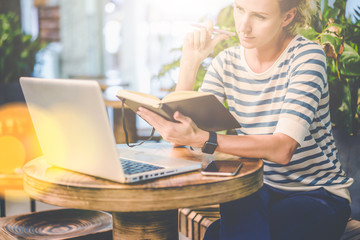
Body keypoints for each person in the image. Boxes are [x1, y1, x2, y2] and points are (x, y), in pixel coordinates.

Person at [137, 0, 354, 239]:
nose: (243, 26)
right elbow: (183, 141)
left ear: (287, 17)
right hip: (255, 184)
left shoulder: (307, 57)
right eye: (239, 9)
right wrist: (190, 62)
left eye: (259, 17)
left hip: (316, 192)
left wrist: (204, 138)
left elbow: (283, 149)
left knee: (220, 234)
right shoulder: (225, 63)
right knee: (234, 203)